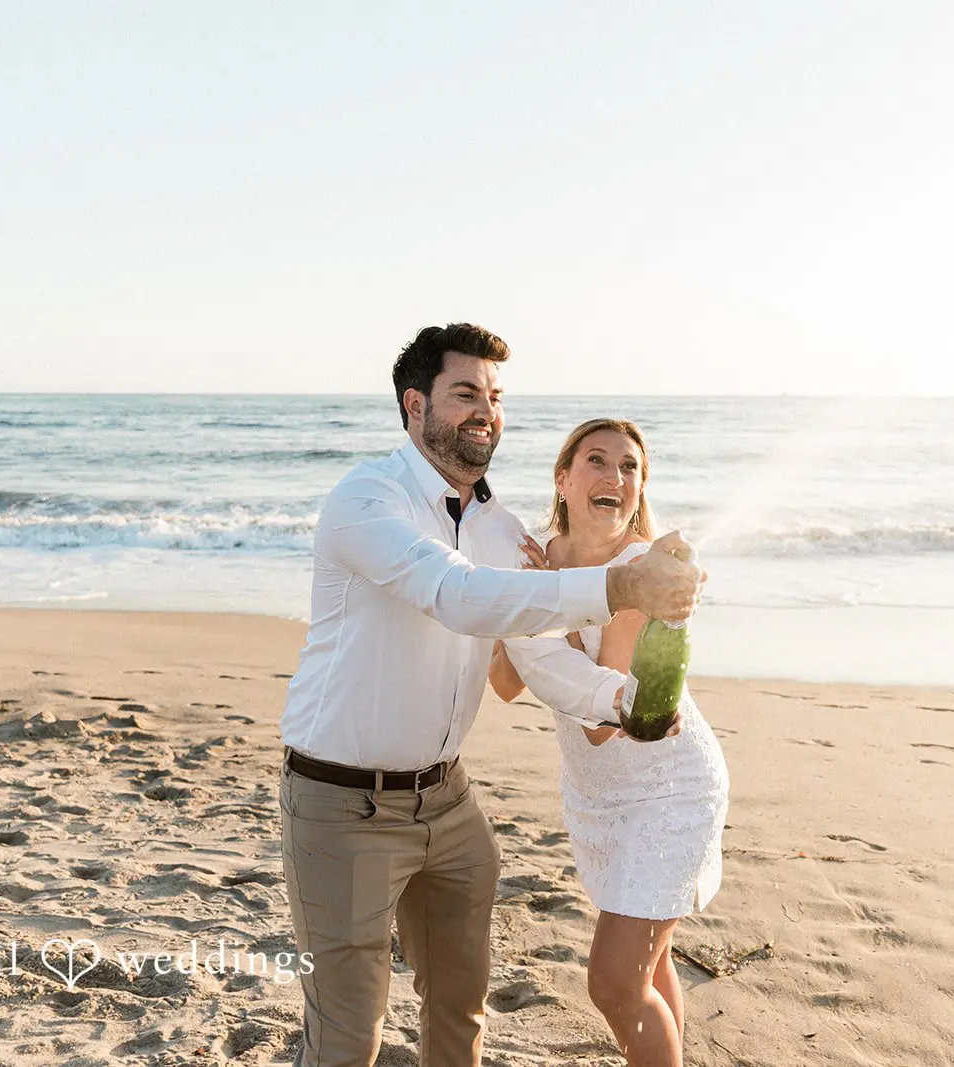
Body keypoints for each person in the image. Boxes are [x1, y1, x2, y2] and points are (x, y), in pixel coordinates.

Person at [278, 324, 704, 1067]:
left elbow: (535, 655)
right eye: (465, 392)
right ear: (415, 405)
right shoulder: (366, 499)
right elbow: (457, 595)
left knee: (459, 1009)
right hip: (344, 805)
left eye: (496, 396)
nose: (486, 410)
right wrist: (616, 587)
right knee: (349, 1034)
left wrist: (619, 702)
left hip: (448, 804)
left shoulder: (501, 529)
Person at [489, 418, 729, 1067]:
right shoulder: (540, 555)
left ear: (640, 487)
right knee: (645, 969)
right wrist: (525, 602)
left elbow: (603, 716)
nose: (615, 477)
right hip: (601, 796)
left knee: (615, 981)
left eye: (630, 467)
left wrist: (548, 606)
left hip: (670, 789)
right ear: (563, 478)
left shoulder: (639, 572)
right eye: (598, 460)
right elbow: (506, 681)